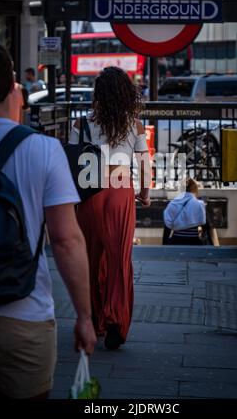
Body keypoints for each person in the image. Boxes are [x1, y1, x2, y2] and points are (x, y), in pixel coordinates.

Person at [0, 41, 96, 400]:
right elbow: (66, 241)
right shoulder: (42, 149)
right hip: (23, 311)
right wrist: (85, 317)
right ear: (13, 86)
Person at [69, 66, 151, 350]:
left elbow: (73, 162)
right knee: (119, 259)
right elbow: (143, 164)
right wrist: (145, 193)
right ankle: (116, 320)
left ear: (98, 94)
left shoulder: (82, 125)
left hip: (90, 192)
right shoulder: (135, 125)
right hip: (120, 191)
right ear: (126, 94)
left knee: (91, 258)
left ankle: (93, 319)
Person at [163, 178, 218, 245]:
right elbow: (207, 227)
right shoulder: (199, 205)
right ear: (195, 189)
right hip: (194, 242)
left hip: (175, 241)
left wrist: (164, 246)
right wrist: (211, 245)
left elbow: (167, 229)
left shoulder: (173, 204)